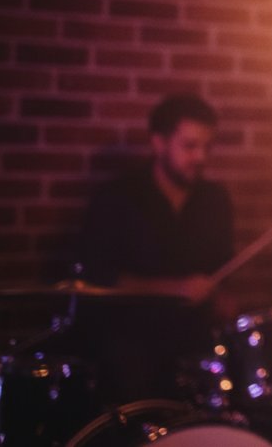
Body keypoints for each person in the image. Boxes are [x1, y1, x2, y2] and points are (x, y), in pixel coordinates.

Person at [76, 93, 234, 403]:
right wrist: (175, 288)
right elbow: (99, 278)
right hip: (130, 342)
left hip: (195, 340)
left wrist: (222, 300)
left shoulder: (216, 200)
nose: (201, 157)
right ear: (159, 143)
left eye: (206, 147)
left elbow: (220, 275)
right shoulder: (116, 198)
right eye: (190, 146)